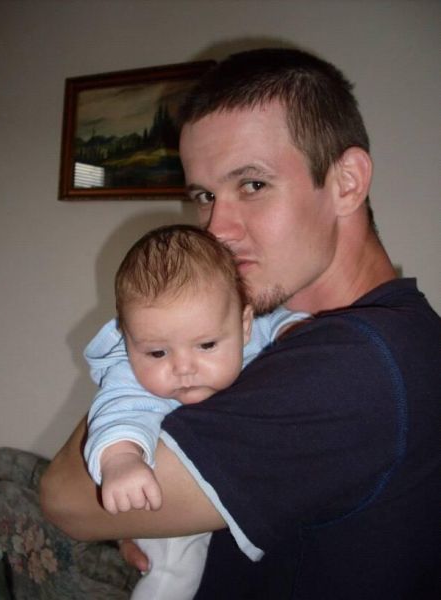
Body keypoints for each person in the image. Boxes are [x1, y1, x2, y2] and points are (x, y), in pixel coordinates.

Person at [41, 47, 441, 599]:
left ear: (347, 182)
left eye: (252, 185)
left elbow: (65, 498)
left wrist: (145, 354)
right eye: (205, 195)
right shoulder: (370, 336)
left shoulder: (355, 364)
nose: (216, 230)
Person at [83, 223, 308, 599]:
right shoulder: (132, 376)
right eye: (157, 352)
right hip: (159, 496)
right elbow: (118, 413)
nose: (183, 368)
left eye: (206, 345)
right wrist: (121, 461)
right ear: (128, 340)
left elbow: (284, 322)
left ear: (244, 325)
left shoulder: (252, 332)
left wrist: (296, 333)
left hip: (229, 502)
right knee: (175, 569)